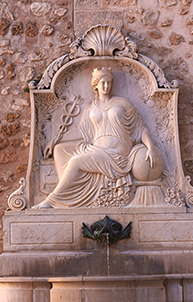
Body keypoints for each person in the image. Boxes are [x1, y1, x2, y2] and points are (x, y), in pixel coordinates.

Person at [34, 67, 158, 208]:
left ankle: (52, 201)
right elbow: (81, 131)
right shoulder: (90, 107)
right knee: (59, 150)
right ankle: (69, 192)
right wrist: (54, 140)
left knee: (75, 161)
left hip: (117, 153)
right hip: (97, 149)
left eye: (108, 82)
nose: (106, 86)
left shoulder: (123, 103)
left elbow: (141, 128)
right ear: (96, 85)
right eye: (102, 83)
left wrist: (150, 147)